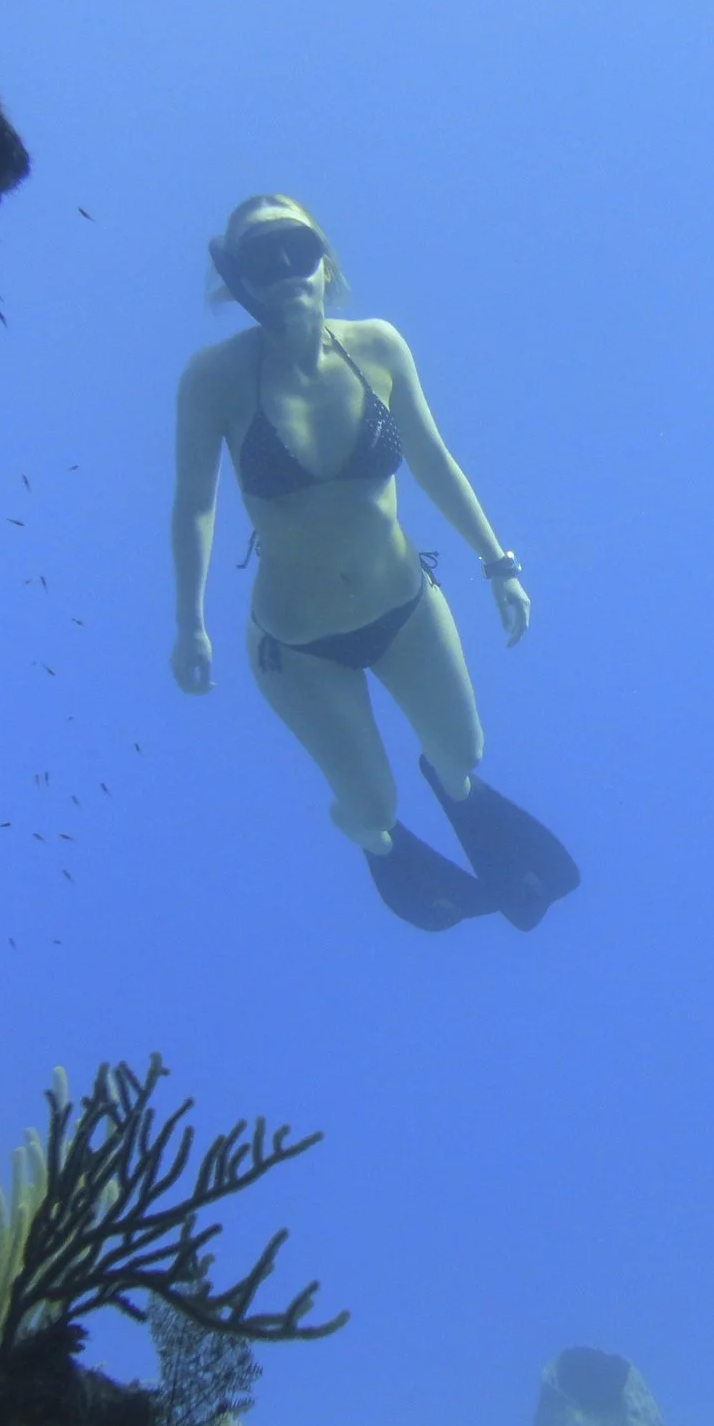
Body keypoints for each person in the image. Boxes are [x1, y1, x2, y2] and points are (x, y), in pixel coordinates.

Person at [169, 195, 579, 932]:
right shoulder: (215, 378)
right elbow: (196, 504)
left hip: (405, 607)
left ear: (325, 258)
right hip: (295, 647)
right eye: (262, 257)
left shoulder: (379, 345)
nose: (286, 268)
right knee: (373, 804)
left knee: (465, 752)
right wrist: (189, 623)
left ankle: (455, 794)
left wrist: (499, 563)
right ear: (237, 278)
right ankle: (373, 841)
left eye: (297, 247)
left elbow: (432, 458)